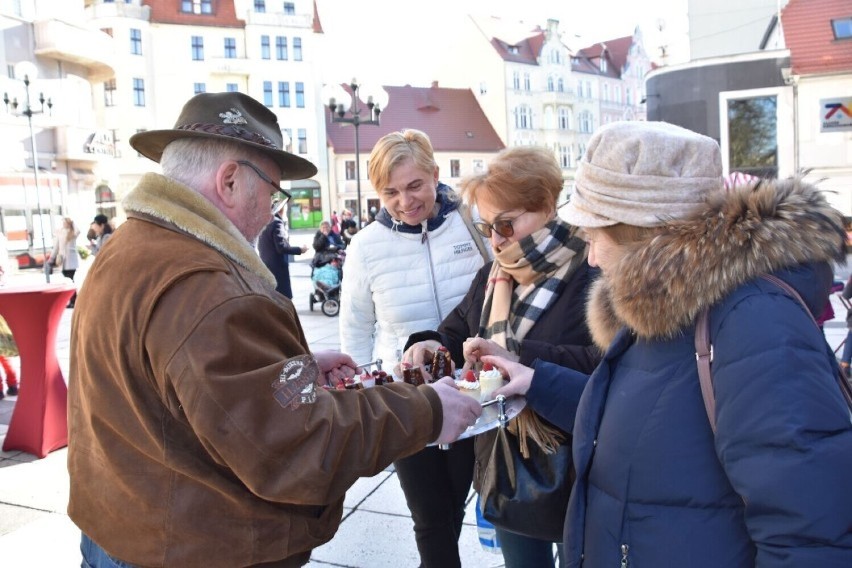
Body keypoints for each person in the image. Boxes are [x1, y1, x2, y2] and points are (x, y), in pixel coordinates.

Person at [67, 91, 481, 568]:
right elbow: (295, 444)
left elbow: (193, 393)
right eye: (273, 193)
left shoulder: (128, 246)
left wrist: (293, 370)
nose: (271, 212)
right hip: (190, 547)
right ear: (229, 181)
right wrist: (426, 410)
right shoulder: (206, 286)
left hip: (123, 527)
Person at [482, 121, 852, 566]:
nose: (592, 258)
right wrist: (537, 382)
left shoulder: (757, 324)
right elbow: (652, 417)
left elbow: (811, 533)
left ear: (641, 234)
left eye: (596, 237)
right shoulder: (664, 306)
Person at [401, 145, 601, 568]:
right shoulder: (495, 272)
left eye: (506, 225)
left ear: (546, 205)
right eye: (487, 226)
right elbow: (458, 332)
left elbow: (604, 363)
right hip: (505, 459)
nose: (495, 240)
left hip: (577, 460)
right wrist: (430, 343)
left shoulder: (591, 267)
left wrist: (517, 355)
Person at [339, 128, 488, 568]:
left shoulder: (472, 227)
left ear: (435, 175)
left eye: (414, 186)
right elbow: (356, 326)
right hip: (404, 398)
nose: (405, 201)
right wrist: (360, 397)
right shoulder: (366, 246)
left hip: (471, 390)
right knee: (429, 514)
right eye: (391, 192)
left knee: (454, 505)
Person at [258, 200, 307, 298]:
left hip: (267, 264)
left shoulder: (264, 221)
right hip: (278, 267)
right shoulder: (277, 223)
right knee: (283, 297)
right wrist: (300, 250)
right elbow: (282, 247)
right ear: (281, 210)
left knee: (273, 297)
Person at [51, 217, 81, 307]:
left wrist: (72, 222)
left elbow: (78, 230)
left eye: (65, 222)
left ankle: (74, 300)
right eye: (63, 222)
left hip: (71, 260)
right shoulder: (60, 232)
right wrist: (52, 258)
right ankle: (73, 299)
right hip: (63, 259)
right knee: (68, 279)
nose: (63, 224)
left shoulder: (73, 232)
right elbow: (56, 246)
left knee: (70, 279)